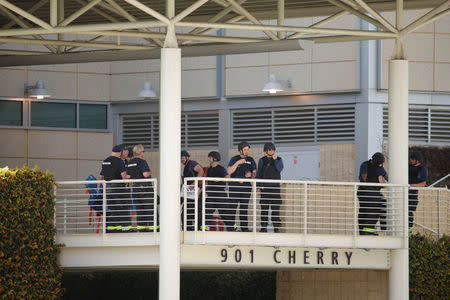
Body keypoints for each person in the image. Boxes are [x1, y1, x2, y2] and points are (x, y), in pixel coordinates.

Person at [98, 145, 131, 233]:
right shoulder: (119, 161)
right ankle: (125, 228)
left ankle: (112, 229)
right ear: (120, 152)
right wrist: (126, 185)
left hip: (108, 189)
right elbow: (123, 175)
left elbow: (101, 176)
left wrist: (98, 188)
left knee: (113, 209)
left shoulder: (105, 161)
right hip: (118, 188)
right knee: (123, 208)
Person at [227, 141, 257, 232]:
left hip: (246, 188)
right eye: (245, 149)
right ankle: (232, 228)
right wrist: (238, 162)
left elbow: (255, 173)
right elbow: (229, 172)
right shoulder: (234, 159)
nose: (247, 151)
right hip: (234, 187)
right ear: (240, 150)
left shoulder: (251, 160)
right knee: (232, 208)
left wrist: (251, 175)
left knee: (244, 209)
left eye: (248, 149)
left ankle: (244, 228)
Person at [357, 152, 388, 235]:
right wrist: (378, 180)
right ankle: (366, 231)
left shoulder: (380, 167)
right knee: (368, 211)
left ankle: (382, 227)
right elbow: (365, 178)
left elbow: (387, 177)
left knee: (383, 204)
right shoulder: (365, 165)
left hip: (375, 192)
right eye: (380, 163)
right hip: (365, 192)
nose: (381, 165)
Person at [127, 144, 155, 232]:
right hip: (145, 190)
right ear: (140, 152)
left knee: (140, 212)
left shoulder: (130, 163)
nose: (143, 153)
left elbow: (128, 177)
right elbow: (145, 174)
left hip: (135, 190)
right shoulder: (142, 162)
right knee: (150, 211)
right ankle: (151, 232)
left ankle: (141, 231)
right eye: (143, 151)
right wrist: (150, 171)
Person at [257, 142, 284, 233]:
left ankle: (276, 228)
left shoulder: (279, 159)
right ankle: (263, 227)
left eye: (272, 149)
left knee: (275, 209)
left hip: (275, 188)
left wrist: (275, 160)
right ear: (266, 150)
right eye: (269, 149)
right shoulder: (262, 160)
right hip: (265, 188)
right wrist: (258, 187)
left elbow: (280, 168)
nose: (271, 151)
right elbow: (259, 174)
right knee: (264, 209)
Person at [205, 151, 229, 229]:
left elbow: (227, 178)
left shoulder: (221, 169)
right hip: (211, 195)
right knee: (206, 213)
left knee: (225, 214)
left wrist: (218, 180)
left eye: (210, 157)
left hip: (220, 195)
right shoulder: (209, 169)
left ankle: (232, 228)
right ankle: (205, 229)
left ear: (215, 158)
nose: (209, 159)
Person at [181, 150, 204, 231]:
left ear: (187, 157)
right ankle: (188, 229)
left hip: (195, 192)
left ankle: (197, 230)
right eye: (180, 158)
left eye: (183, 157)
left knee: (196, 212)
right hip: (189, 193)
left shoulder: (191, 163)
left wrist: (194, 183)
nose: (181, 159)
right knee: (186, 213)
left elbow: (201, 170)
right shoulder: (187, 166)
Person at [408, 151, 428, 230]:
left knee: (409, 213)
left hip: (413, 193)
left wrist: (411, 186)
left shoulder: (422, 169)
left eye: (412, 159)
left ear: (417, 160)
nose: (411, 160)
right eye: (410, 158)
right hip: (404, 192)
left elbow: (423, 184)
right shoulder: (408, 167)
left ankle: (409, 231)